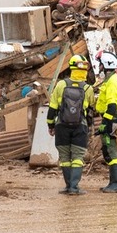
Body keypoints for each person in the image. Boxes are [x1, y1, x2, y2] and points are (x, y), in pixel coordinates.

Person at [47, 54, 95, 196]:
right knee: (78, 158)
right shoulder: (88, 89)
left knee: (65, 158)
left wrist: (51, 125)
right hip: (80, 126)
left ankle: (68, 186)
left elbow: (52, 108)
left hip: (61, 126)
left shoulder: (61, 85)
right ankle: (74, 187)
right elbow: (92, 108)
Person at [95, 50, 117, 193]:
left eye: (100, 64)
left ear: (106, 64)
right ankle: (113, 183)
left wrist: (104, 124)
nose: (99, 66)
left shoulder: (113, 81)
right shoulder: (111, 79)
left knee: (111, 151)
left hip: (111, 119)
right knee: (108, 150)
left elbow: (112, 106)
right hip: (110, 118)